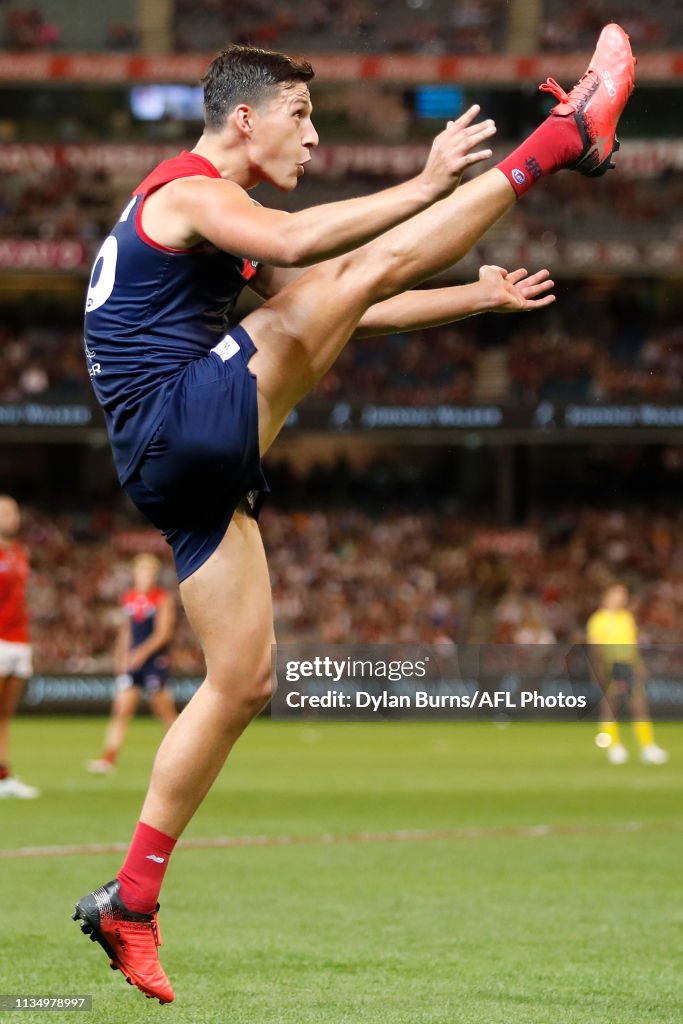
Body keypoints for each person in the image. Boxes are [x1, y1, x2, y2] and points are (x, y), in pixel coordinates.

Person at [73, 26, 636, 1003]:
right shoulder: (191, 192)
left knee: (245, 677)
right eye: (301, 116)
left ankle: (130, 898)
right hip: (180, 423)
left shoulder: (212, 218)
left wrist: (471, 296)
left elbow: (337, 303)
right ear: (242, 121)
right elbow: (307, 251)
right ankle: (559, 137)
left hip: (176, 461)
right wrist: (424, 187)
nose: (315, 138)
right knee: (337, 276)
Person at [87, 553, 177, 775]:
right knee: (121, 711)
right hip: (134, 661)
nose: (146, 575)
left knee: (164, 712)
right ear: (135, 573)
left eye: (150, 571)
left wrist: (141, 653)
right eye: (142, 570)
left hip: (154, 661)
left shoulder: (162, 598)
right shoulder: (128, 598)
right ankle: (108, 759)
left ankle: (184, 756)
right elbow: (126, 630)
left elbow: (163, 633)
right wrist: (121, 656)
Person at [587, 582, 669, 766]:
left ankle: (647, 746)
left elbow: (632, 644)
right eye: (618, 593)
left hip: (628, 664)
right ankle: (613, 745)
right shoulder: (598, 619)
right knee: (611, 705)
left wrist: (639, 665)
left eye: (623, 594)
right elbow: (595, 647)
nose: (621, 597)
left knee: (639, 704)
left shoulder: (626, 617)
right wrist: (598, 669)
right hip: (611, 664)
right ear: (607, 596)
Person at [0, 494, 39, 799]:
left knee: (5, 714)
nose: (11, 517)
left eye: (14, 511)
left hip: (19, 640)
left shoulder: (19, 552)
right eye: (5, 512)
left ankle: (4, 774)